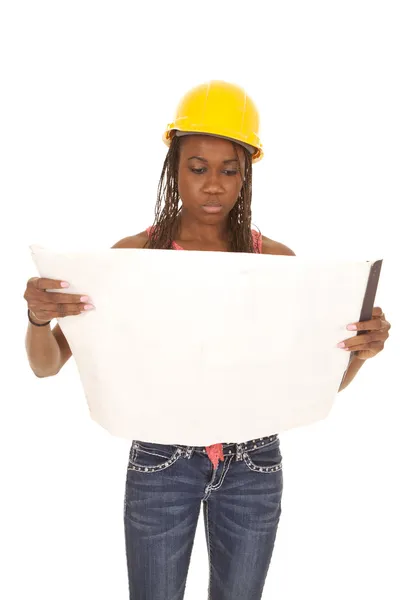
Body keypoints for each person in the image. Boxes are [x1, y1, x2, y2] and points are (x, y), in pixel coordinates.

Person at [24, 80, 390, 600]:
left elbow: (313, 387)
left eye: (229, 170)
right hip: (160, 461)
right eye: (198, 168)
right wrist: (39, 317)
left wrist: (364, 351)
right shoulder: (129, 260)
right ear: (175, 169)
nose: (213, 185)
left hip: (254, 464)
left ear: (246, 176)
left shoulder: (278, 264)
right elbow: (45, 366)